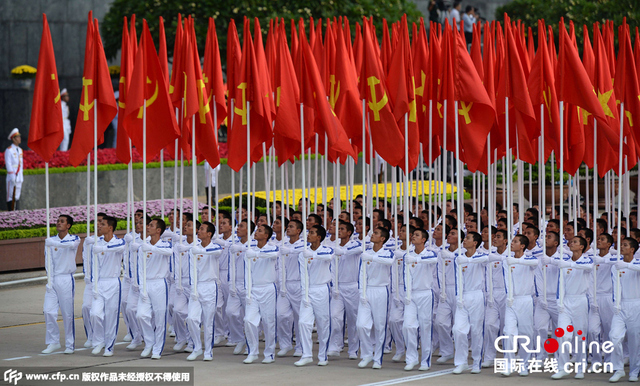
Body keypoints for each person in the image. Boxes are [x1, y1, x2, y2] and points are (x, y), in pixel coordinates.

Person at [550, 236, 593, 379]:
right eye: (571, 241)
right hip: (566, 301)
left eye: (575, 242)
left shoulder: (586, 260)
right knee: (562, 335)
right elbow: (560, 283)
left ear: (581, 246)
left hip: (580, 301)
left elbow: (588, 267)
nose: (571, 243)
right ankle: (563, 367)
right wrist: (559, 301)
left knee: (580, 336)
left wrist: (569, 265)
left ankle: (581, 367)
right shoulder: (565, 262)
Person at [497, 235, 538, 376]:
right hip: (511, 301)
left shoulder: (529, 259)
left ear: (522, 246)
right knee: (508, 332)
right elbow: (507, 280)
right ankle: (509, 364)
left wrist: (516, 261)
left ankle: (524, 364)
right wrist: (509, 295)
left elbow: (535, 263)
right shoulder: (507, 261)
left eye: (515, 242)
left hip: (526, 300)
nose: (511, 243)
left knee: (526, 334)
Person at [295, 225, 334, 366]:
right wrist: (304, 294)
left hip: (322, 290)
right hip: (308, 290)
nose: (308, 235)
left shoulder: (327, 250)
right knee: (303, 322)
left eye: (311, 233)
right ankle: (306, 354)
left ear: (319, 237)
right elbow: (303, 274)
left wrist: (313, 255)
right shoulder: (303, 253)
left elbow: (329, 257)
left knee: (323, 323)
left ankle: (323, 355)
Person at [42, 215, 80, 354]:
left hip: (66, 279)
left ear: (68, 225)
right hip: (53, 279)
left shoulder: (74, 239)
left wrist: (54, 244)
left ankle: (70, 344)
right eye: (58, 221)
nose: (58, 223)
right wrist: (49, 280)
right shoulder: (51, 240)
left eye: (62, 221)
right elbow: (48, 261)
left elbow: (71, 246)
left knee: (67, 313)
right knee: (48, 311)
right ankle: (53, 342)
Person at [357, 227, 394, 369]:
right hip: (367, 290)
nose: (372, 235)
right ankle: (366, 355)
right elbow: (361, 274)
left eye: (376, 233)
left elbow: (389, 261)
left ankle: (378, 358)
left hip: (380, 291)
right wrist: (362, 293)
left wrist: (372, 258)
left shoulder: (388, 252)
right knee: (361, 325)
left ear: (383, 238)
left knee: (380, 326)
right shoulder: (366, 253)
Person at [451, 231, 488, 374]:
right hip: (463, 296)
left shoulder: (482, 256)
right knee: (458, 330)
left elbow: (486, 259)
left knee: (477, 330)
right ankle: (461, 362)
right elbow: (457, 278)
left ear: (475, 243)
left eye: (467, 238)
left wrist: (468, 261)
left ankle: (477, 360)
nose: (464, 240)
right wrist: (458, 296)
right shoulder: (459, 257)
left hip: (477, 295)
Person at [137, 219, 174, 359]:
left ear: (158, 230)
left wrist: (152, 249)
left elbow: (169, 252)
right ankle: (149, 342)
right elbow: (140, 269)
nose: (148, 227)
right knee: (141, 315)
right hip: (146, 283)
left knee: (160, 317)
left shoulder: (165, 244)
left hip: (160, 283)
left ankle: (157, 348)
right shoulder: (142, 246)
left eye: (151, 225)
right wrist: (142, 288)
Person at [186, 221, 223, 361]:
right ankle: (197, 347)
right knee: (191, 318)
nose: (198, 231)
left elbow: (218, 252)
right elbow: (192, 270)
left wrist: (200, 251)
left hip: (210, 286)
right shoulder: (194, 249)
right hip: (197, 286)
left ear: (209, 234)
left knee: (208, 321)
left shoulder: (215, 247)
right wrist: (193, 288)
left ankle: (208, 350)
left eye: (201, 229)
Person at [403, 228, 439, 371]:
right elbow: (405, 275)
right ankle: (411, 358)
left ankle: (425, 360)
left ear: (423, 239)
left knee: (425, 327)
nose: (413, 237)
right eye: (413, 235)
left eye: (417, 235)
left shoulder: (430, 253)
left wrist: (417, 259)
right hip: (411, 295)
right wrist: (406, 293)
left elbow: (434, 260)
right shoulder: (408, 254)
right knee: (408, 326)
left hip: (425, 294)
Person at [90, 216, 126, 357]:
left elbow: (120, 248)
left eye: (102, 224)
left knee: (111, 316)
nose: (99, 226)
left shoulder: (119, 242)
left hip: (113, 282)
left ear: (110, 228)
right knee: (95, 313)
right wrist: (94, 285)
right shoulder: (96, 243)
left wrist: (104, 248)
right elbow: (94, 266)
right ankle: (98, 341)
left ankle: (109, 346)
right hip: (100, 282)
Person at [243, 224, 279, 364]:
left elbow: (274, 255)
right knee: (248, 320)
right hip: (254, 289)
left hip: (268, 289)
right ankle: (253, 351)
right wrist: (248, 291)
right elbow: (247, 272)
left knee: (269, 322)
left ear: (266, 235)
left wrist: (257, 254)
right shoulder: (250, 250)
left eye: (259, 231)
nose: (256, 233)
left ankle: (269, 353)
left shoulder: (272, 247)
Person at [327, 221, 362, 359]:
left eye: (342, 229)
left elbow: (360, 249)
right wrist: (334, 287)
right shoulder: (334, 247)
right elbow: (332, 268)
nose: (339, 231)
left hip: (352, 286)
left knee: (353, 320)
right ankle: (335, 346)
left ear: (349, 233)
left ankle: (353, 349)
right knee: (335, 317)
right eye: (338, 228)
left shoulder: (355, 244)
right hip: (338, 287)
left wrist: (344, 251)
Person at [608, 237, 640, 383]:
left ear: (632, 249)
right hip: (621, 306)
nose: (621, 247)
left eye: (625, 245)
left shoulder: (637, 263)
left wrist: (626, 266)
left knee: (635, 341)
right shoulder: (616, 266)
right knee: (614, 336)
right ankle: (619, 369)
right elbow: (616, 286)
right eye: (621, 245)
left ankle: (634, 371)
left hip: (636, 305)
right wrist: (616, 303)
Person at [588, 233, 617, 369]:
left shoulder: (613, 258)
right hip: (594, 296)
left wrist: (600, 261)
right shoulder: (591, 258)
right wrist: (591, 299)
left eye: (602, 239)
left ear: (609, 244)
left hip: (608, 297)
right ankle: (596, 360)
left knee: (609, 330)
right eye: (598, 239)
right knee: (592, 330)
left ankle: (610, 360)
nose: (599, 241)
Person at [277, 219, 305, 357]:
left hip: (299, 284)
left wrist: (290, 250)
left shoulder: (303, 244)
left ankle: (300, 346)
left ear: (298, 230)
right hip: (285, 284)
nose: (288, 229)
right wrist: (281, 284)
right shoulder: (284, 244)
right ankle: (285, 344)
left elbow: (302, 251)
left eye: (291, 227)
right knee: (281, 315)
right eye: (287, 227)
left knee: (300, 317)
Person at [227, 220, 255, 355]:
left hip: (249, 284)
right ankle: (239, 339)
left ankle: (250, 343)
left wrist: (242, 249)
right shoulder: (234, 245)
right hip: (236, 283)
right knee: (230, 312)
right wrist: (231, 283)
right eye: (238, 226)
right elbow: (230, 266)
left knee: (249, 317)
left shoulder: (254, 243)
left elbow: (253, 251)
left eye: (241, 226)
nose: (238, 228)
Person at [172, 218, 199, 353]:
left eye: (188, 225)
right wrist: (177, 282)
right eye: (185, 224)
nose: (185, 227)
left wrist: (189, 248)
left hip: (195, 283)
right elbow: (176, 263)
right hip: (182, 281)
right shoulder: (179, 245)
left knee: (191, 315)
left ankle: (191, 342)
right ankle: (181, 337)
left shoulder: (200, 244)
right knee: (177, 310)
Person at [482, 229, 508, 368]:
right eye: (494, 236)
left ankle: (507, 356)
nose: (495, 239)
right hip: (493, 293)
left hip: (507, 293)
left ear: (505, 240)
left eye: (498, 236)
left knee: (507, 327)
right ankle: (489, 356)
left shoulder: (510, 254)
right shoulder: (490, 255)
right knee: (490, 325)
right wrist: (488, 294)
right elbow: (486, 276)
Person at [81, 212, 107, 348]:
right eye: (96, 221)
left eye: (101, 221)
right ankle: (91, 336)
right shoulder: (89, 240)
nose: (98, 224)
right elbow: (85, 259)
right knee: (86, 307)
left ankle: (103, 337)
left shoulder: (107, 240)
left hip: (104, 281)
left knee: (102, 312)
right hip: (91, 281)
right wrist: (86, 274)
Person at [124, 216, 147, 351]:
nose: (138, 225)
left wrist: (140, 246)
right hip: (135, 281)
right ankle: (136, 337)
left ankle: (150, 338)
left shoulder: (152, 242)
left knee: (150, 314)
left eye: (142, 223)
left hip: (150, 282)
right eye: (137, 223)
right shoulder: (132, 241)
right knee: (130, 309)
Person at [212, 212, 235, 346]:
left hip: (231, 275)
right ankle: (219, 332)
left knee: (230, 308)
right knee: (217, 306)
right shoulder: (216, 239)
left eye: (224, 223)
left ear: (231, 227)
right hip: (217, 274)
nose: (221, 225)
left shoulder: (235, 239)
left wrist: (226, 244)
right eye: (220, 223)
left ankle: (231, 333)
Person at [5, 128, 23, 211]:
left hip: (19, 175)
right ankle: (10, 211)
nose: (19, 139)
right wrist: (12, 176)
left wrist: (20, 176)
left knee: (17, 195)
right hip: (12, 175)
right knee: (10, 195)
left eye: (19, 137)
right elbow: (8, 164)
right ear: (13, 139)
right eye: (17, 137)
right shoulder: (9, 150)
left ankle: (16, 211)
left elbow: (21, 164)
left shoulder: (20, 150)